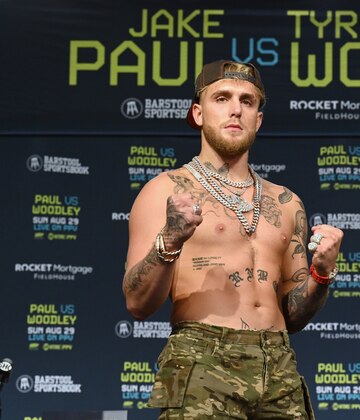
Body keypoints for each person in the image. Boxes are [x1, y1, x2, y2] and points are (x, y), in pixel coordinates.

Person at [122, 59, 343, 419]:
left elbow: (295, 315)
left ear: (258, 118)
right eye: (222, 98)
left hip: (279, 364)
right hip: (201, 357)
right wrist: (170, 240)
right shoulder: (164, 191)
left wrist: (321, 274)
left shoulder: (286, 203)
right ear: (198, 113)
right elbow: (137, 302)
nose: (236, 109)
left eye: (248, 101)